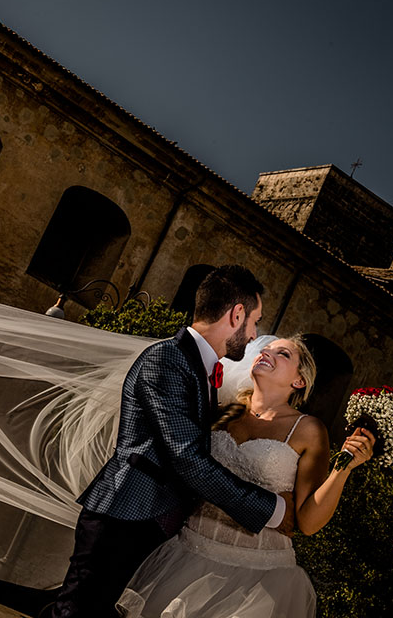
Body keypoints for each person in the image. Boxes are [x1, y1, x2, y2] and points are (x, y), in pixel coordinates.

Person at [41, 265, 297, 618]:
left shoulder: (202, 369)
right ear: (236, 314)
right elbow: (187, 457)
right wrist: (270, 508)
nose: (254, 335)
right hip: (122, 516)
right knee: (74, 613)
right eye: (254, 321)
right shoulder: (168, 360)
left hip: (147, 523)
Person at [117, 335, 375, 617]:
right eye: (266, 349)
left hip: (258, 574)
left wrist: (343, 469)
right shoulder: (222, 410)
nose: (268, 353)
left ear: (299, 381)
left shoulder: (309, 430)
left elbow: (309, 522)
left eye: (283, 354)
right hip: (187, 552)